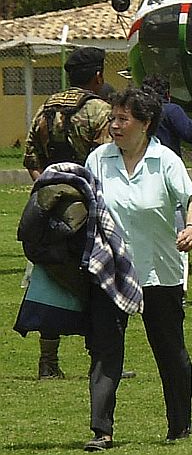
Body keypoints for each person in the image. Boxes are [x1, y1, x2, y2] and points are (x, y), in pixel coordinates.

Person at [83, 87, 192, 449]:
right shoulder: (98, 160)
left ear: (145, 123)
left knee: (170, 349)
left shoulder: (165, 160)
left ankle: (179, 425)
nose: (115, 126)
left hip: (159, 270)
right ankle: (101, 431)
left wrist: (191, 228)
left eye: (123, 119)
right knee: (105, 351)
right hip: (111, 272)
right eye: (112, 119)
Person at [23, 46, 111, 380]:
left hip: (47, 205)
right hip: (87, 206)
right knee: (96, 277)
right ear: (98, 76)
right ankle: (101, 359)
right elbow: (104, 162)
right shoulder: (100, 111)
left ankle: (48, 363)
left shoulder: (46, 108)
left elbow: (31, 160)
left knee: (48, 277)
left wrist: (50, 190)